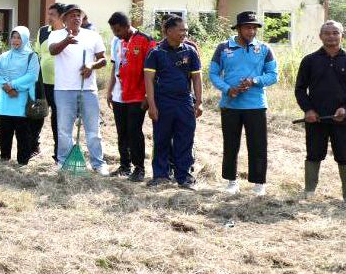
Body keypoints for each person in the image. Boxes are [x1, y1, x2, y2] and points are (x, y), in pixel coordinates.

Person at [209, 11, 279, 196]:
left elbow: (273, 76)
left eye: (255, 28)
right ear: (238, 28)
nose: (252, 31)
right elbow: (213, 74)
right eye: (248, 27)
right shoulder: (223, 48)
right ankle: (231, 182)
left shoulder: (264, 49)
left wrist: (254, 81)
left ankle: (259, 184)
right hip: (230, 105)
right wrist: (227, 89)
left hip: (256, 105)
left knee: (258, 145)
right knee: (231, 144)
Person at [295, 20, 346, 204]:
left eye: (335, 33)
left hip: (343, 119)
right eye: (327, 33)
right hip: (316, 119)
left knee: (345, 156)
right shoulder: (309, 60)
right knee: (314, 154)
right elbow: (300, 89)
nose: (331, 36)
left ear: (342, 35)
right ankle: (309, 192)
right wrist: (308, 110)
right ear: (320, 36)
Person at [144, 15, 203, 189]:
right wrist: (152, 105)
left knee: (185, 139)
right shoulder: (155, 53)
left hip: (184, 101)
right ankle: (161, 175)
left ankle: (184, 177)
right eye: (181, 30)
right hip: (163, 102)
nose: (185, 33)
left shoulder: (190, 51)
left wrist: (198, 102)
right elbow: (149, 80)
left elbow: (197, 78)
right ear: (169, 31)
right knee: (161, 139)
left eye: (186, 30)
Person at [48, 3, 109, 174]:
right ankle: (63, 162)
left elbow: (103, 60)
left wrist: (91, 65)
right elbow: (53, 51)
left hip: (88, 90)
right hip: (63, 89)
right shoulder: (55, 34)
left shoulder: (92, 36)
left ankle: (98, 163)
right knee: (64, 129)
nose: (76, 18)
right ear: (64, 19)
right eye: (72, 15)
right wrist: (66, 41)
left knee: (93, 129)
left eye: (79, 15)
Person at [107, 11, 155, 182]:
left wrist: (148, 95)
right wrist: (110, 90)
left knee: (134, 131)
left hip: (137, 94)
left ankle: (139, 168)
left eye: (118, 30)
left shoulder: (145, 40)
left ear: (127, 26)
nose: (116, 34)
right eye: (114, 31)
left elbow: (151, 72)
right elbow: (115, 66)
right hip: (120, 93)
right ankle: (124, 165)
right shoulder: (116, 41)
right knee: (122, 132)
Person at [0, 26, 40, 165]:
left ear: (25, 39)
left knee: (23, 133)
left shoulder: (31, 56)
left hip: (22, 100)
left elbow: (32, 76)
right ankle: (4, 157)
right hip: (7, 100)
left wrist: (13, 85)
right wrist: (7, 88)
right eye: (13, 37)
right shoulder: (4, 56)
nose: (15, 40)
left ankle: (22, 161)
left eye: (19, 37)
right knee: (4, 131)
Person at [33, 3, 65, 158]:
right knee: (38, 114)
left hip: (60, 83)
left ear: (61, 16)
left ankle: (58, 152)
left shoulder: (67, 33)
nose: (49, 17)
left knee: (57, 117)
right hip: (42, 81)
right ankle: (34, 146)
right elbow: (37, 53)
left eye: (52, 14)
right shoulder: (43, 31)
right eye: (49, 14)